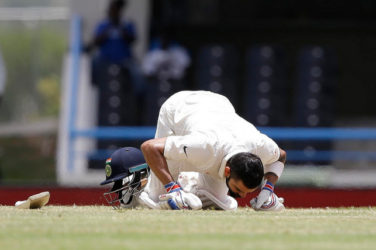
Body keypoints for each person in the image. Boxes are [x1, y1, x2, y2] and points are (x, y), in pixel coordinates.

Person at [140, 90, 287, 211]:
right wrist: (172, 188)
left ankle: (188, 184)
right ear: (228, 171)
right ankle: (146, 189)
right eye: (239, 189)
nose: (243, 197)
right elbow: (149, 147)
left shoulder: (258, 145)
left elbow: (280, 156)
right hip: (179, 107)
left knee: (219, 202)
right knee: (158, 199)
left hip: (219, 104)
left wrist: (268, 189)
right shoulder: (205, 147)